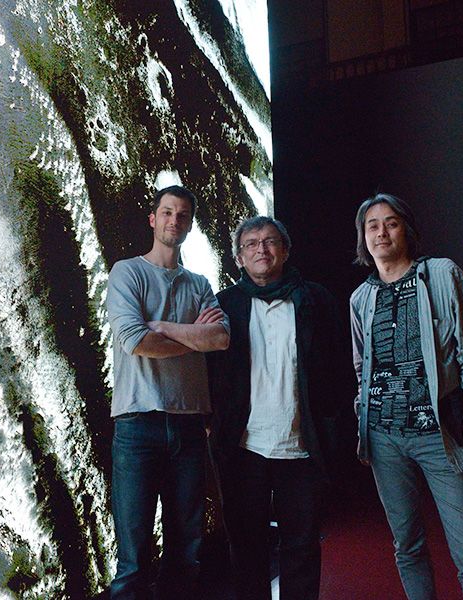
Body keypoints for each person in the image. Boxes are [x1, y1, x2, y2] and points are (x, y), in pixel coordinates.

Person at [349, 193, 463, 600]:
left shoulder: (441, 274)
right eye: (372, 225)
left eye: (391, 222)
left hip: (439, 433)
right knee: (407, 545)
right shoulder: (360, 298)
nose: (381, 232)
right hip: (383, 437)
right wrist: (363, 419)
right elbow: (362, 368)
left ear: (407, 230)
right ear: (363, 237)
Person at [207, 216, 350, 600]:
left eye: (270, 241)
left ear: (285, 250)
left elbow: (338, 367)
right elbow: (209, 371)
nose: (262, 249)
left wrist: (333, 424)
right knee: (247, 547)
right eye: (251, 244)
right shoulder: (224, 305)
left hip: (301, 446)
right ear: (239, 257)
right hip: (244, 447)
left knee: (302, 547)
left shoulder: (316, 299)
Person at [106, 184, 230, 599]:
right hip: (137, 426)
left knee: (185, 554)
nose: (174, 220)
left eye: (182, 215)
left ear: (190, 225)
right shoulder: (127, 272)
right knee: (134, 559)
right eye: (167, 212)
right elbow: (136, 341)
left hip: (190, 427)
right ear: (153, 219)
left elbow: (221, 338)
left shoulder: (199, 283)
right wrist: (195, 336)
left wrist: (163, 327)